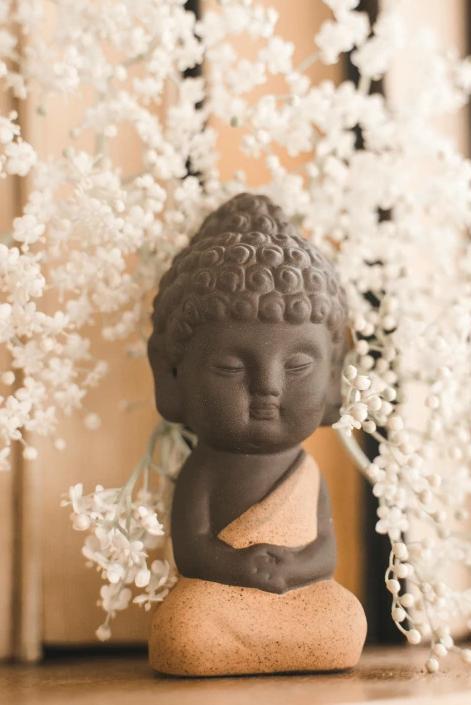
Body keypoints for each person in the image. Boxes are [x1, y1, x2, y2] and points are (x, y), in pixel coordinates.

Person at [148, 192, 366, 676]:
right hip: (220, 596)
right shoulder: (204, 470)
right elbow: (193, 548)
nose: (267, 387)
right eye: (228, 366)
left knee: (345, 619)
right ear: (171, 377)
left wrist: (295, 569)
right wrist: (238, 569)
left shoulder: (304, 471)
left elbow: (325, 549)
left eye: (298, 365)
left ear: (334, 381)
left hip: (301, 594)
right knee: (185, 628)